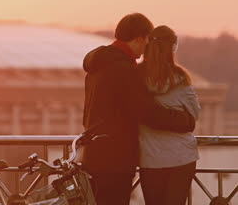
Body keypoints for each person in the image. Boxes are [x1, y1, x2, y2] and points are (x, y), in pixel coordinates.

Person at [82, 13, 195, 205]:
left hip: (95, 154)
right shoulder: (124, 69)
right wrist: (184, 120)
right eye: (147, 41)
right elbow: (145, 111)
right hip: (115, 159)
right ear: (139, 38)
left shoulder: (99, 65)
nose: (146, 49)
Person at [138, 25, 199, 205]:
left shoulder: (136, 77)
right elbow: (195, 112)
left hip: (150, 158)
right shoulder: (180, 78)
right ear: (173, 48)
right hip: (181, 157)